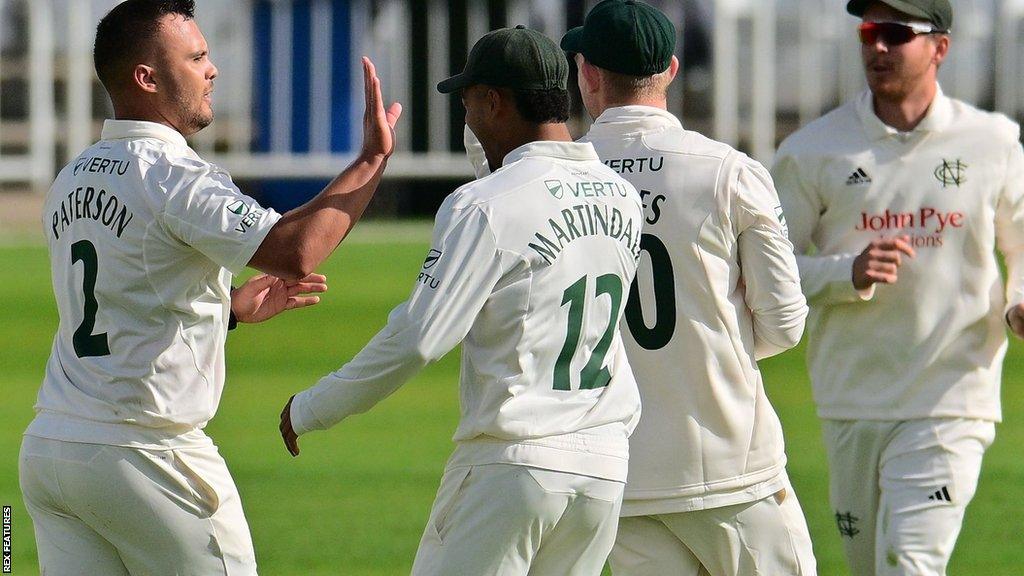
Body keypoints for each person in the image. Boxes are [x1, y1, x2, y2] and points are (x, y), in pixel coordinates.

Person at [18, 0, 401, 574]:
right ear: (146, 78)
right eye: (196, 57)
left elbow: (122, 300)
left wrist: (224, 313)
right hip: (149, 455)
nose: (212, 69)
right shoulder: (172, 175)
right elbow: (296, 251)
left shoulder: (72, 176)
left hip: (53, 452)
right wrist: (370, 160)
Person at [279, 25, 644, 576]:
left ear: (494, 102)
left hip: (514, 463)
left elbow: (419, 339)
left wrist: (313, 407)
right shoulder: (621, 194)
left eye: (470, 103)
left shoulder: (481, 206)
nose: (466, 119)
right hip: (603, 470)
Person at [556, 1, 818, 574]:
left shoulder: (558, 181)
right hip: (734, 470)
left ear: (588, 74)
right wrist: (716, 349)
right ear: (672, 70)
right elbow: (785, 325)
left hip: (617, 472)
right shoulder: (729, 171)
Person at [772, 0, 1024, 574]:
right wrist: (845, 271)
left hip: (952, 396)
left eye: (893, 33)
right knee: (868, 566)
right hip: (851, 396)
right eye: (867, 32)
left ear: (940, 47)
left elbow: (1020, 245)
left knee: (910, 564)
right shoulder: (812, 149)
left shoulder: (993, 142)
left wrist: (1017, 302)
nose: (876, 47)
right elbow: (767, 268)